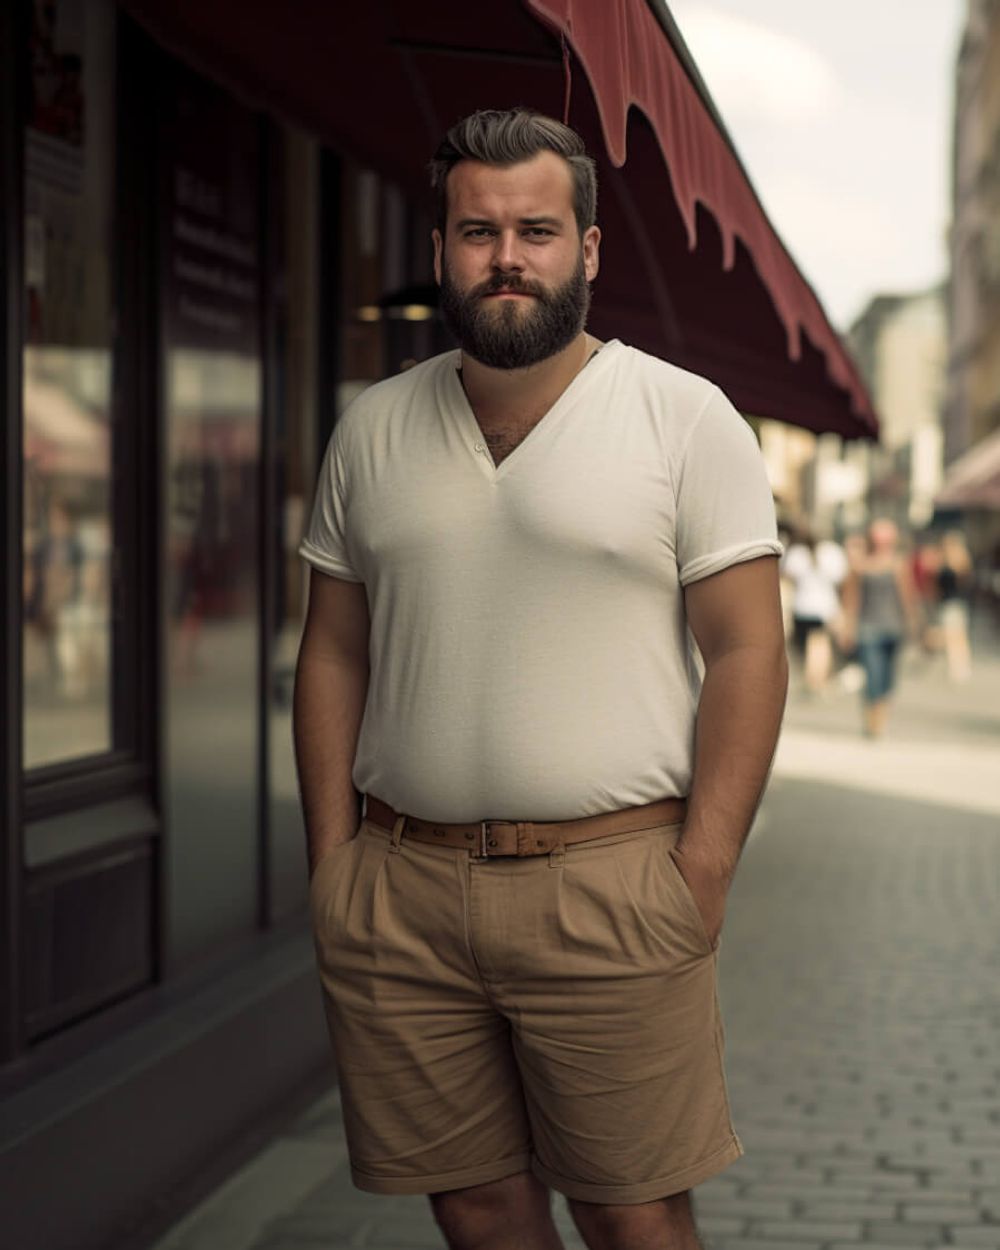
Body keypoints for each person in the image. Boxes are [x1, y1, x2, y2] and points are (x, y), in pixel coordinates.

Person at [294, 109, 788, 1250]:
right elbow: (333, 650)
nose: (506, 255)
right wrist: (332, 866)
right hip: (401, 888)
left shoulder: (682, 417)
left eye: (536, 229)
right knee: (471, 1206)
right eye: (477, 230)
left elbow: (748, 651)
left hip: (610, 881)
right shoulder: (371, 427)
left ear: (589, 250)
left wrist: (700, 873)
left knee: (634, 1211)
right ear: (439, 251)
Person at [841, 517, 920, 738]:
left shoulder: (898, 564)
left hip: (893, 628)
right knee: (873, 675)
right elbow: (852, 599)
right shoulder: (861, 566)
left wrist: (913, 623)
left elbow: (907, 596)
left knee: (887, 677)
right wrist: (848, 627)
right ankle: (872, 720)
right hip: (867, 628)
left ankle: (881, 717)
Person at [780, 525, 847, 695]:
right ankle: (816, 679)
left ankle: (812, 678)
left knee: (808, 646)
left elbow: (788, 576)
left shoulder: (796, 553)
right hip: (824, 607)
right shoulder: (832, 552)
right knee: (819, 645)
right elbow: (841, 579)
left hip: (802, 606)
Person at [935, 529, 974, 682]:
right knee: (958, 635)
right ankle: (961, 666)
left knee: (953, 636)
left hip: (951, 602)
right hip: (956, 602)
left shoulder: (952, 563)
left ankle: (957, 667)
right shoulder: (959, 561)